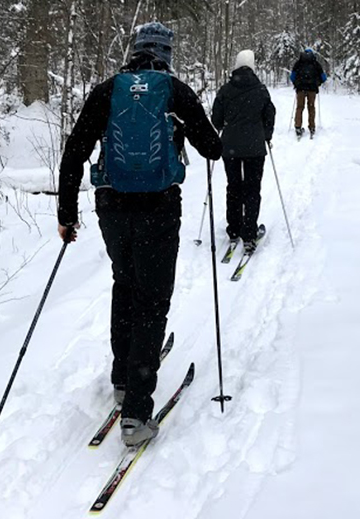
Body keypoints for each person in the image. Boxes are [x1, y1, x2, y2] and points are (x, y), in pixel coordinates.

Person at [57, 22, 222, 446]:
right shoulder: (173, 90)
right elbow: (212, 148)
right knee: (152, 300)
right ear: (166, 54)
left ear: (133, 52)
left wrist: (66, 214)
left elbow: (75, 150)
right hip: (159, 207)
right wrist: (184, 129)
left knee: (125, 286)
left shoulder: (107, 90)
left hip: (112, 206)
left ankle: (121, 379)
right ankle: (136, 415)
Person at [211, 50, 276, 252]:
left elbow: (216, 120)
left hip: (229, 147)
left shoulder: (225, 90)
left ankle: (234, 229)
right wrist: (266, 135)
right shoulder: (261, 90)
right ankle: (249, 233)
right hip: (255, 148)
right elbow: (270, 115)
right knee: (252, 189)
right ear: (253, 67)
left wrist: (225, 125)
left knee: (234, 187)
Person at [289, 48, 327, 139]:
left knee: (299, 107)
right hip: (312, 89)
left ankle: (298, 126)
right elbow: (324, 77)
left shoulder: (298, 63)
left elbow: (292, 76)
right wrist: (317, 83)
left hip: (300, 89)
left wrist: (297, 83)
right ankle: (312, 126)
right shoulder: (316, 64)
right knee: (311, 107)